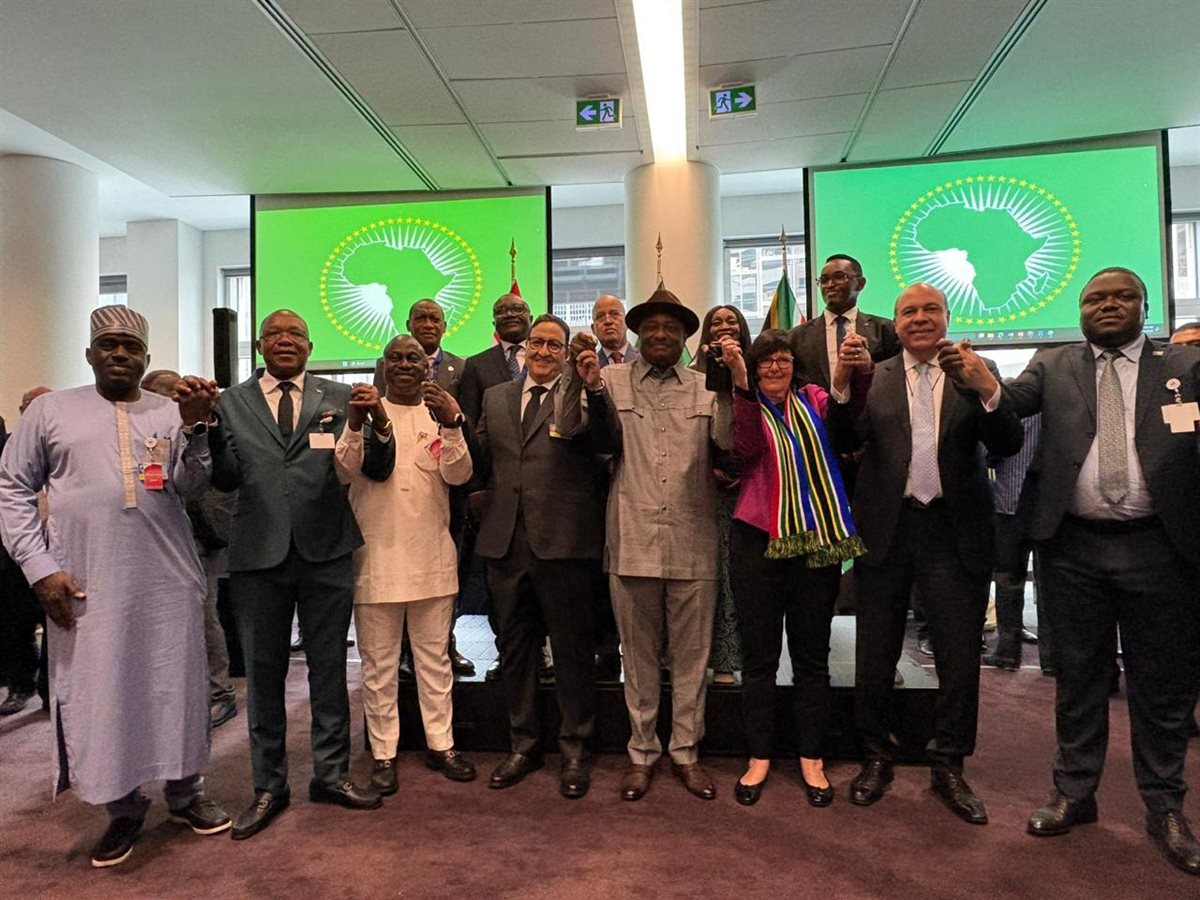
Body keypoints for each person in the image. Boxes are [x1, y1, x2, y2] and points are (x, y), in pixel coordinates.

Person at [0, 305, 230, 868]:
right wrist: (40, 568)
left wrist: (196, 427)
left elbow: (189, 485)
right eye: (109, 344)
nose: (121, 353)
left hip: (167, 579)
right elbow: (12, 488)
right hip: (87, 581)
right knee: (104, 692)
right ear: (90, 353)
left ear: (147, 357)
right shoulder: (52, 411)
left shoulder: (168, 411)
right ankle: (122, 808)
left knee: (175, 687)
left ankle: (186, 794)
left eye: (132, 346)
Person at [1001, 267, 1200, 876]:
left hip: (1160, 547)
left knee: (1162, 685)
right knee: (1078, 677)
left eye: (1122, 296)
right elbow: (1008, 405)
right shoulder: (1052, 364)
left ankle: (1165, 806)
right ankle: (1074, 792)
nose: (1108, 305)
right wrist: (980, 380)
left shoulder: (1184, 366)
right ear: (1080, 309)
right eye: (1095, 298)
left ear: (1144, 305)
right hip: (1073, 549)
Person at [828, 283, 1022, 825]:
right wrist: (841, 384)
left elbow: (1007, 443)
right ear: (895, 323)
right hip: (886, 530)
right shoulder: (876, 375)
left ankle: (949, 764)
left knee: (958, 659)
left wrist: (988, 390)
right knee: (875, 654)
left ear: (947, 316)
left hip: (954, 532)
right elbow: (842, 440)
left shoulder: (974, 370)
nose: (919, 318)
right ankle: (876, 755)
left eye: (930, 309)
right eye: (908, 311)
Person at [209, 309, 394, 840]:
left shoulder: (340, 396)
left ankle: (331, 775)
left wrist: (379, 423)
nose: (285, 340)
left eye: (295, 333)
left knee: (329, 667)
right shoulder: (230, 403)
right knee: (263, 674)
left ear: (311, 347)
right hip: (258, 555)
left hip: (326, 550)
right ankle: (269, 785)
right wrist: (206, 429)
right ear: (259, 345)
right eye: (275, 334)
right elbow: (225, 478)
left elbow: (374, 466)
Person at [560, 282, 733, 802]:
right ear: (637, 334)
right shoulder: (608, 380)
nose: (660, 334)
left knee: (692, 660)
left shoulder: (706, 387)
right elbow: (568, 427)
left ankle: (686, 751)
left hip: (693, 541)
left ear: (685, 337)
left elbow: (728, 444)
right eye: (651, 327)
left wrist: (731, 389)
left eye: (671, 328)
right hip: (632, 540)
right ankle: (641, 753)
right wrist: (576, 376)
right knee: (636, 661)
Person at [723, 329, 866, 807]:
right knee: (759, 658)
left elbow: (845, 435)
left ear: (795, 365)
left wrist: (845, 377)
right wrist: (741, 385)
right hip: (756, 539)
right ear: (754, 367)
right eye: (766, 360)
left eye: (783, 358)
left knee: (811, 656)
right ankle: (759, 756)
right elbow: (746, 451)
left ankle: (811, 756)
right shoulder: (744, 402)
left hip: (815, 541)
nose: (775, 367)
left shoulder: (816, 400)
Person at [473, 314, 606, 798]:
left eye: (554, 345)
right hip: (506, 543)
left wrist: (594, 389)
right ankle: (523, 745)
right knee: (515, 650)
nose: (544, 352)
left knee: (571, 652)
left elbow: (606, 444)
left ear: (566, 353)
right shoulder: (496, 397)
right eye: (537, 343)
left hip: (565, 544)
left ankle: (575, 749)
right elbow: (483, 459)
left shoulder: (580, 394)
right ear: (524, 348)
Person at [338, 334, 477, 796]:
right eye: (394, 358)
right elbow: (343, 470)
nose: (403, 365)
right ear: (383, 366)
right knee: (378, 667)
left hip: (432, 558)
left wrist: (453, 424)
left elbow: (459, 474)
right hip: (375, 561)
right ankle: (383, 753)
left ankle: (442, 745)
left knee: (434, 662)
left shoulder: (438, 415)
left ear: (426, 367)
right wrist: (355, 425)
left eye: (412, 358)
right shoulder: (361, 413)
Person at [372, 299, 473, 677]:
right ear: (409, 324)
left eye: (435, 318)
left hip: (450, 481)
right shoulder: (388, 364)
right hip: (396, 481)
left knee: (446, 573)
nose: (428, 324)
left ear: (445, 326)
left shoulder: (463, 367)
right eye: (421, 318)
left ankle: (446, 642)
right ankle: (402, 650)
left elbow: (468, 421)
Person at [142, 369, 238, 728]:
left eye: (172, 393)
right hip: (151, 536)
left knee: (203, 616)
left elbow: (220, 477)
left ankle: (219, 693)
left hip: (199, 537)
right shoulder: (145, 430)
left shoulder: (204, 422)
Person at [457, 292, 533, 680]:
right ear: (493, 321)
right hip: (498, 491)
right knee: (501, 585)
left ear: (530, 316)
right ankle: (508, 653)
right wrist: (475, 488)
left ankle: (542, 654)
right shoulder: (477, 365)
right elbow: (471, 432)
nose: (509, 314)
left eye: (517, 309)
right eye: (501, 310)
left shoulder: (547, 355)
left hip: (543, 493)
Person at [691, 305, 752, 684]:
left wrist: (743, 472)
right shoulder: (692, 373)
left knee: (733, 579)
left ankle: (728, 660)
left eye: (732, 321)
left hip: (745, 493)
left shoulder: (755, 369)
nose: (724, 327)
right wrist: (708, 467)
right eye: (716, 322)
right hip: (700, 491)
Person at [788, 254, 900, 394]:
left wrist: (867, 366)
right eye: (824, 280)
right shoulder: (796, 338)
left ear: (860, 284)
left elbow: (897, 377)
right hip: (819, 408)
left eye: (839, 277)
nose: (830, 285)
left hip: (873, 406)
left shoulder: (885, 330)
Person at [982, 414, 1042, 672]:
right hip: (1046, 505)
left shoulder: (1012, 410)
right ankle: (1052, 658)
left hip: (1010, 501)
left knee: (1008, 577)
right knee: (1047, 582)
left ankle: (1007, 651)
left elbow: (991, 453)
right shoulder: (1054, 407)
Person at [592, 294, 640, 367]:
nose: (608, 321)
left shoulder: (646, 360)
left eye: (614, 314)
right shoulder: (590, 366)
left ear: (627, 323)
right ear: (593, 329)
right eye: (600, 316)